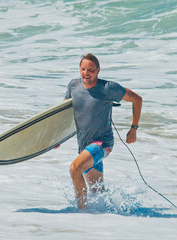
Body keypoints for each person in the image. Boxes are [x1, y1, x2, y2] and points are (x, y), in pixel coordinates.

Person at [64, 53, 142, 209]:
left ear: (98, 70)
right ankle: (105, 216)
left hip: (102, 144)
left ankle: (81, 212)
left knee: (74, 169)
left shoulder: (108, 88)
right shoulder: (73, 86)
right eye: (83, 69)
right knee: (97, 192)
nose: (86, 73)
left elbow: (137, 99)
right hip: (84, 146)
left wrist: (133, 129)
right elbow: (64, 114)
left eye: (91, 70)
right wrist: (55, 139)